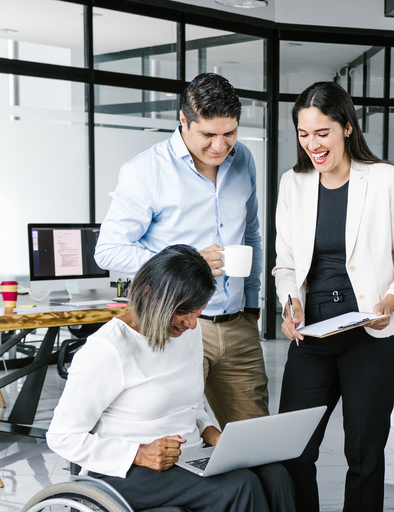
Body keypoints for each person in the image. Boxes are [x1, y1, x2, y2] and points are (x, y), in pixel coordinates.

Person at [46, 245, 326, 512]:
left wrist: (212, 430)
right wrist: (138, 453)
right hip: (124, 473)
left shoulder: (188, 332)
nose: (193, 323)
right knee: (241, 489)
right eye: (184, 313)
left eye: (198, 311)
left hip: (185, 456)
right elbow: (62, 436)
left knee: (276, 476)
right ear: (154, 299)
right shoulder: (108, 351)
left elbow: (188, 404)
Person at [273, 81, 394, 512]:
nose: (313, 144)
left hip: (371, 334)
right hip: (313, 334)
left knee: (363, 458)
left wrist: (388, 299)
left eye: (322, 132)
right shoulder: (293, 185)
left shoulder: (383, 180)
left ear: (347, 127)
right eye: (303, 134)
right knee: (293, 452)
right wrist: (291, 304)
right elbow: (285, 265)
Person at [94, 73, 267, 429]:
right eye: (208, 135)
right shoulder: (146, 171)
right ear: (183, 121)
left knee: (253, 437)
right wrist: (187, 263)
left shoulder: (244, 159)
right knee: (175, 435)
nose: (220, 146)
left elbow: (250, 233)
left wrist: (252, 303)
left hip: (237, 324)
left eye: (229, 134)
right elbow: (108, 251)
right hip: (174, 325)